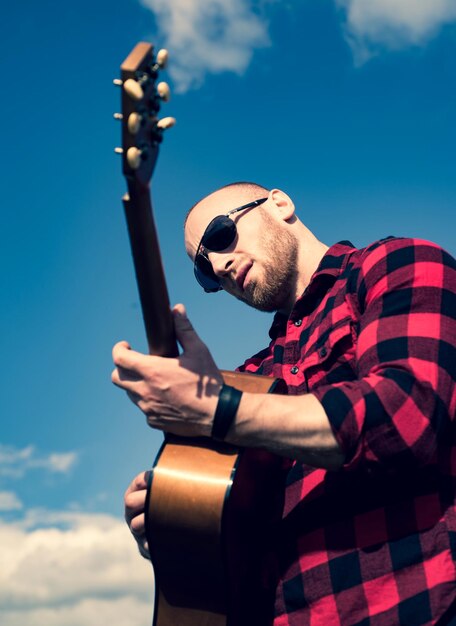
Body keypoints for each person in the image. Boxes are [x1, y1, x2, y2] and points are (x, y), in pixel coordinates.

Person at [112, 182, 456, 625]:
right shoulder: (249, 379)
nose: (218, 264)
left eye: (220, 237)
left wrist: (218, 409)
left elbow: (404, 416)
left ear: (280, 204)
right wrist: (177, 520)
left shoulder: (395, 265)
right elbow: (238, 547)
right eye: (204, 269)